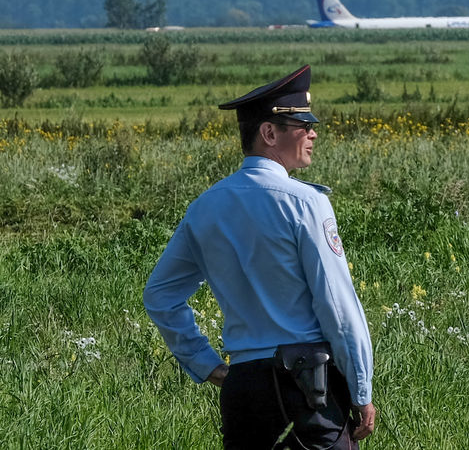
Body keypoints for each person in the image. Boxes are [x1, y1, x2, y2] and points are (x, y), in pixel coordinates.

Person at [143, 65, 375, 449]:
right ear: (269, 133)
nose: (313, 132)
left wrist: (204, 363)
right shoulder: (306, 203)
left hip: (244, 387)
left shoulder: (204, 207)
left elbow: (160, 295)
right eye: (303, 125)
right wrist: (361, 389)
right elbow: (337, 306)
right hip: (307, 386)